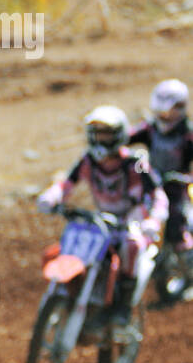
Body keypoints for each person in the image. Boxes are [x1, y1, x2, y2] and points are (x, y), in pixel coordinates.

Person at [36, 105, 168, 327]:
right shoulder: (88, 160)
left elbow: (158, 195)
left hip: (132, 219)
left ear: (119, 135)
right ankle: (75, 296)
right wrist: (52, 196)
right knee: (72, 245)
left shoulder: (135, 162)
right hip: (101, 220)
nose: (101, 140)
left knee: (131, 245)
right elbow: (67, 183)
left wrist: (154, 220)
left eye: (106, 134)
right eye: (97, 134)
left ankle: (122, 308)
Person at [128, 79, 193, 253]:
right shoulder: (151, 128)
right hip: (151, 179)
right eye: (161, 113)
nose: (164, 118)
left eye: (168, 113)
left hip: (177, 185)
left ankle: (182, 248)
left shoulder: (188, 134)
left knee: (175, 215)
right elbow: (127, 138)